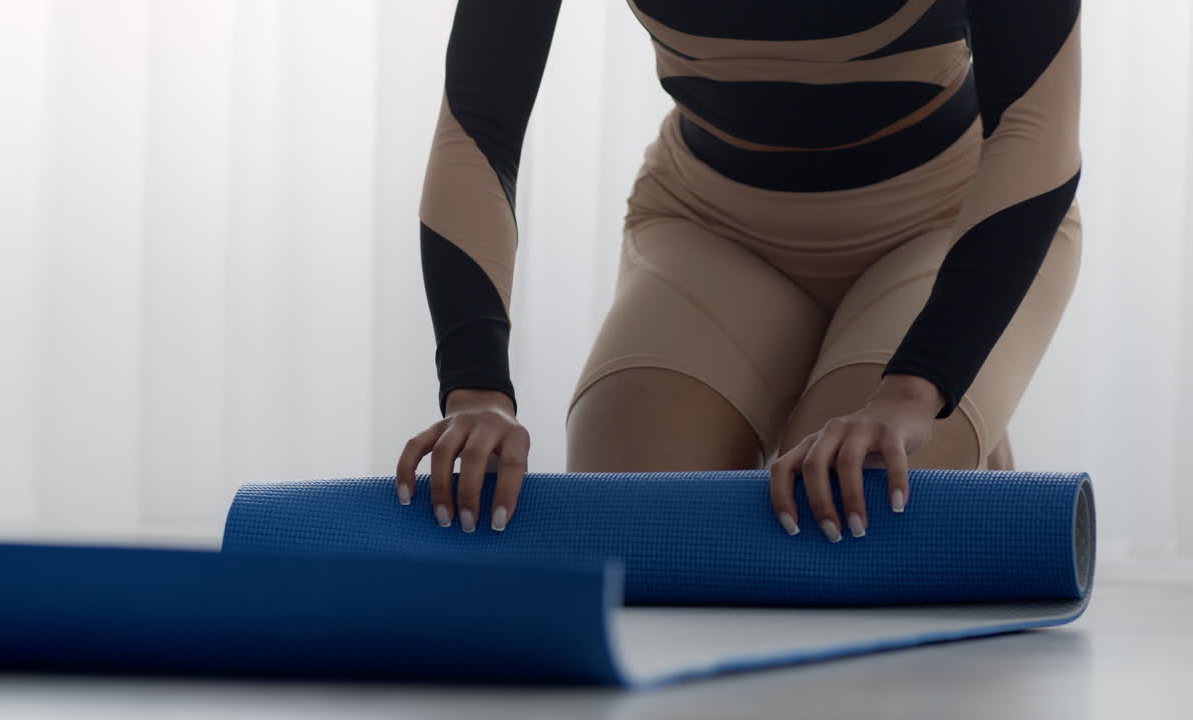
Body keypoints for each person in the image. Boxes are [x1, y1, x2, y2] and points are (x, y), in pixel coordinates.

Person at [395, 0, 1082, 542]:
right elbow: (476, 129)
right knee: (636, 533)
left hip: (941, 224)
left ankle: (970, 429)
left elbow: (1034, 132)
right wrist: (477, 394)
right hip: (711, 223)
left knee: (853, 514)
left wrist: (916, 390)